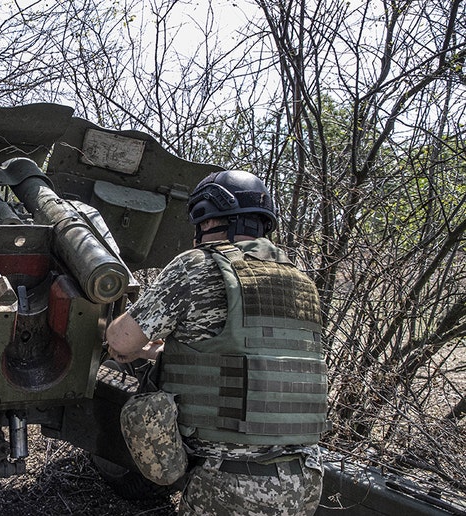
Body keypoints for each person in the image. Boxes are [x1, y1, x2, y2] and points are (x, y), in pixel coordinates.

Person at [106, 170, 329, 515]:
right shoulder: (301, 282)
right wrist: (164, 354)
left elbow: (121, 340)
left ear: (207, 219)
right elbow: (255, 359)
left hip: (232, 483)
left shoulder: (198, 265)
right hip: (305, 479)